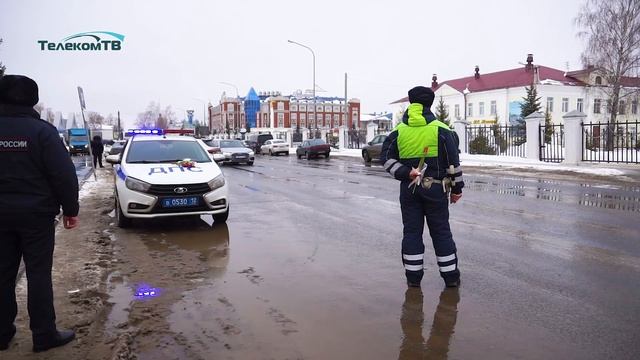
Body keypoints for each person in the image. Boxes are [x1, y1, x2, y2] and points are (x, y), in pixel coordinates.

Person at [0, 75, 79, 352]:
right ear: (32, 98)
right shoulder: (42, 132)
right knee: (38, 274)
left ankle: (1, 333)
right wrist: (71, 210)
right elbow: (63, 175)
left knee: (2, 274)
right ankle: (44, 335)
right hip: (36, 217)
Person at [381, 86, 464, 288]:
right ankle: (451, 278)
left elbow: (385, 159)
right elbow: (453, 164)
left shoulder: (398, 132)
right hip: (435, 190)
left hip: (409, 190)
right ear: (430, 103)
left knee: (411, 233)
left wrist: (405, 172)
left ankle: (413, 279)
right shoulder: (442, 130)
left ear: (411, 103)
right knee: (441, 233)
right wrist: (456, 190)